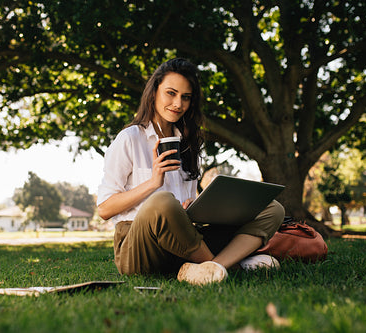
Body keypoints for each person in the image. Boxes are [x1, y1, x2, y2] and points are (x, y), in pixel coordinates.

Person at [97, 58, 285, 285]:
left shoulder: (189, 144)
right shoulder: (130, 138)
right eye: (171, 93)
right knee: (162, 201)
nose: (178, 103)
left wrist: (192, 207)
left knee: (272, 208)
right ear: (154, 91)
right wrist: (153, 183)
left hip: (183, 241)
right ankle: (231, 266)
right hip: (139, 248)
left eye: (186, 97)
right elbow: (105, 209)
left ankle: (210, 269)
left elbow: (187, 203)